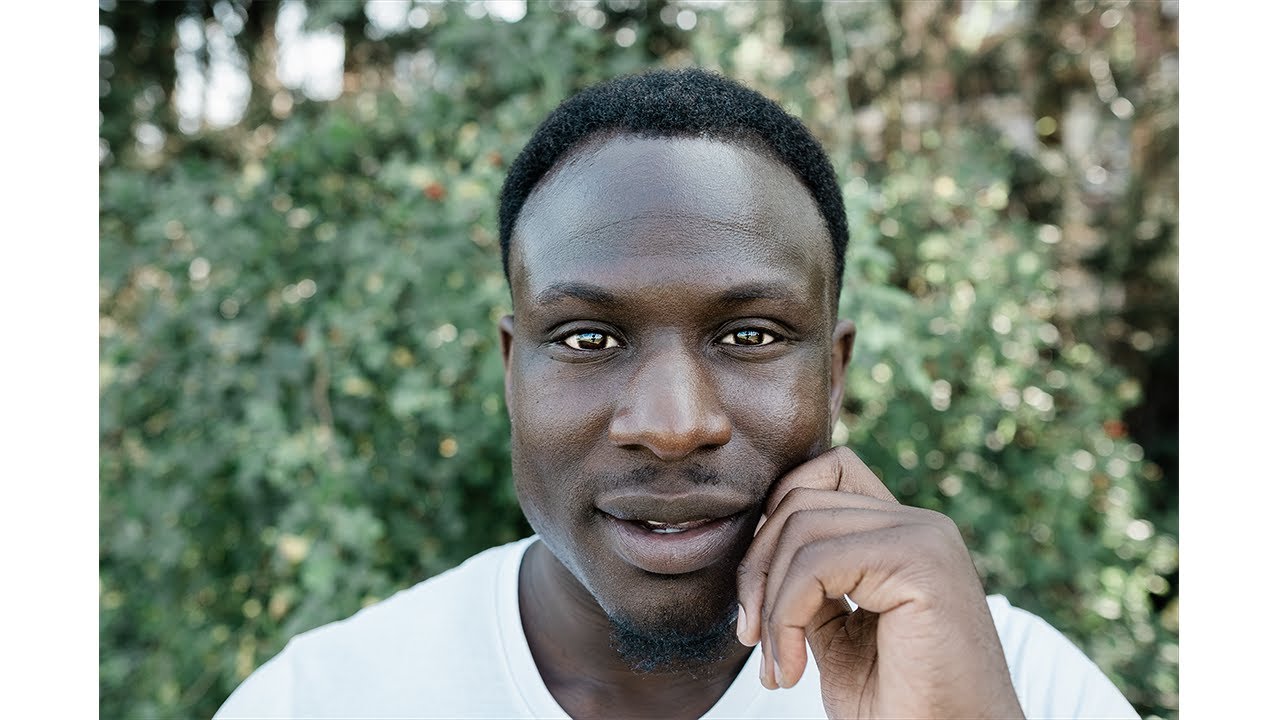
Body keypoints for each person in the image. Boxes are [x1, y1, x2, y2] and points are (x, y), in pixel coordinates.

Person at [215, 68, 1139, 720]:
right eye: (587, 338)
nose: (672, 426)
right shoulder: (321, 700)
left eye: (750, 336)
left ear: (835, 373)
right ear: (510, 369)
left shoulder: (1016, 684)